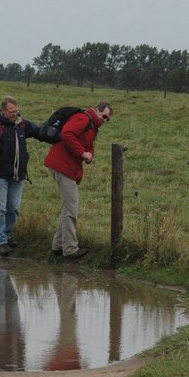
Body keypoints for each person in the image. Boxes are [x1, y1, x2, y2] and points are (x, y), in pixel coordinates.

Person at [44, 100, 113, 260]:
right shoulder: (84, 119)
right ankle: (70, 249)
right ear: (96, 109)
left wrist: (88, 154)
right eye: (104, 116)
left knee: (68, 207)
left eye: (107, 119)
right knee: (71, 208)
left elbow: (88, 145)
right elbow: (67, 134)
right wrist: (82, 153)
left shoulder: (92, 125)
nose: (104, 120)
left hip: (66, 166)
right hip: (63, 165)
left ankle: (58, 245)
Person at [0, 95, 41, 256]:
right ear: (3, 110)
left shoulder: (22, 125)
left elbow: (39, 132)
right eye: (11, 111)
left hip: (18, 176)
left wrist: (57, 132)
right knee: (0, 209)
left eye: (16, 111)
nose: (15, 114)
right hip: (0, 176)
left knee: (13, 209)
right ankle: (1, 241)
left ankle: (7, 236)